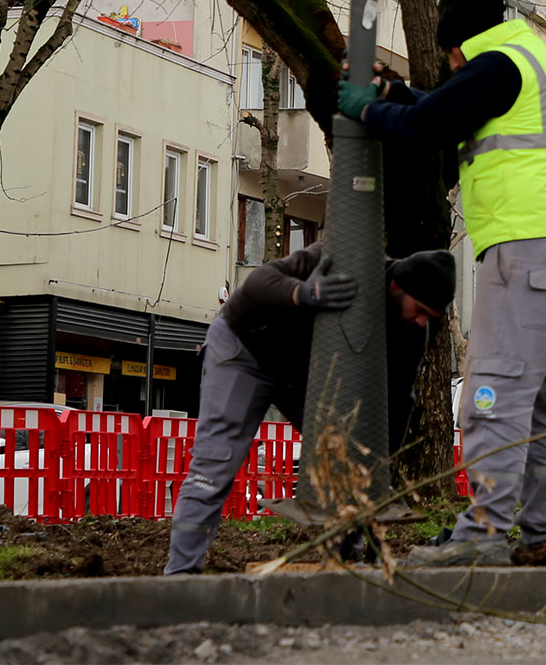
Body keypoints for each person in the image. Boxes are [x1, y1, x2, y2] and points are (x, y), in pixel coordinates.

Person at [338, 0, 546, 568]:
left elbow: (428, 126)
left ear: (457, 49)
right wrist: (398, 93)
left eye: (450, 60)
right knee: (545, 410)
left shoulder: (495, 65)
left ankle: (481, 536)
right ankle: (540, 536)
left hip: (527, 252)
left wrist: (367, 107)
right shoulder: (535, 62)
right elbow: (448, 107)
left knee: (494, 398)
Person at [162, 245, 456, 575]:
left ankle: (346, 562)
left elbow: (401, 398)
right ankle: (181, 576)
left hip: (306, 376)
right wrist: (303, 292)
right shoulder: (340, 261)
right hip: (245, 348)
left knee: (351, 463)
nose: (421, 322)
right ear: (396, 287)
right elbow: (259, 282)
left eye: (430, 316)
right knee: (215, 462)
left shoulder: (413, 330)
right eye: (419, 310)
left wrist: (380, 463)